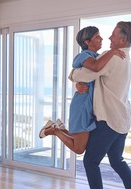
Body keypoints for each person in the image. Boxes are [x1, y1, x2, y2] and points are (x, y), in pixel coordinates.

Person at [69, 21, 131, 189]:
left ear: (122, 39)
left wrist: (73, 77)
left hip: (109, 120)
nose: (109, 38)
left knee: (90, 161)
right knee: (116, 160)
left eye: (113, 35)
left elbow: (84, 72)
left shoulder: (111, 57)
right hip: (122, 119)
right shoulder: (126, 59)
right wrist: (79, 82)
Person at [39, 26, 125, 154]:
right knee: (79, 149)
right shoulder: (83, 55)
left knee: (79, 140)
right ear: (87, 42)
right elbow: (95, 67)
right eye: (97, 36)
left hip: (89, 107)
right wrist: (113, 51)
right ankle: (54, 130)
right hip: (82, 106)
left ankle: (57, 127)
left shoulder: (98, 56)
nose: (101, 38)